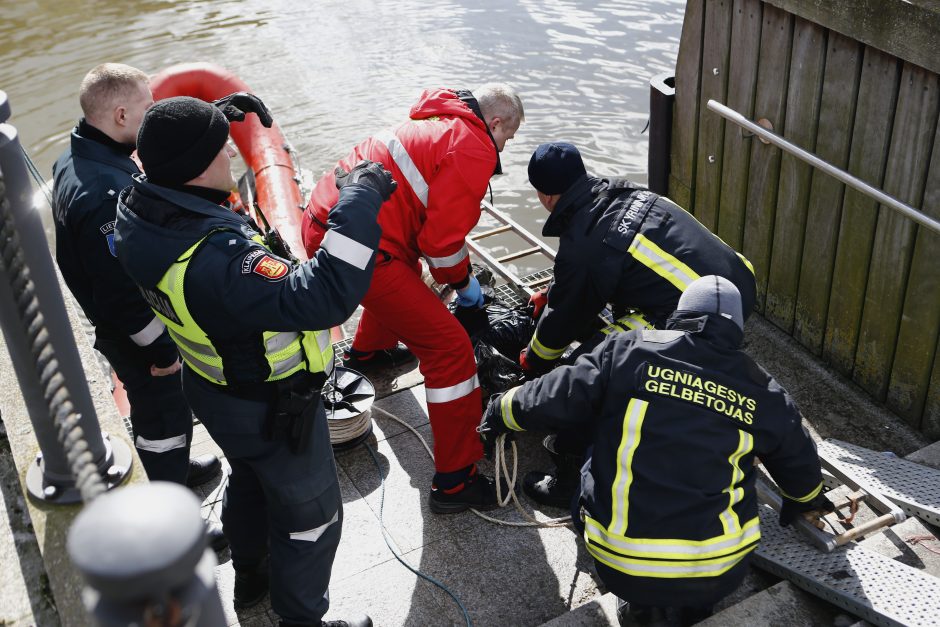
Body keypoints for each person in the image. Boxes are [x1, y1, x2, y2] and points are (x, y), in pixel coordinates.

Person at [114, 95, 393, 627]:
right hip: (271, 409)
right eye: (221, 148)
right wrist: (359, 200)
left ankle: (253, 580)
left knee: (250, 481)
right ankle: (301, 620)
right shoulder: (218, 259)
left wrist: (208, 115)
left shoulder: (135, 210)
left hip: (216, 392)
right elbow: (324, 298)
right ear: (198, 166)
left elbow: (164, 159)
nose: (230, 158)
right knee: (312, 519)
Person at [479, 276, 832, 626]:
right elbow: (800, 463)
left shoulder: (629, 349)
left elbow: (551, 395)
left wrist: (499, 411)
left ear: (682, 313)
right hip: (719, 570)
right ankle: (695, 608)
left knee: (592, 456)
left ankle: (639, 608)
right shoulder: (765, 392)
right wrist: (807, 502)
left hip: (622, 564)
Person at [301, 84, 525, 513]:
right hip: (358, 247)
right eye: (507, 139)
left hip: (331, 224)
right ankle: (456, 481)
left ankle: (370, 353)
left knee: (408, 269)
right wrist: (466, 286)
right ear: (494, 123)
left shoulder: (436, 119)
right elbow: (442, 246)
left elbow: (422, 231)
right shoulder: (473, 146)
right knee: (450, 350)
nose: (504, 149)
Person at [518, 142, 758, 507]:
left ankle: (568, 479)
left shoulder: (583, 243)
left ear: (544, 195)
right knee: (609, 328)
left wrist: (535, 361)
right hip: (738, 286)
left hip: (692, 318)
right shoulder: (622, 191)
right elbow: (600, 267)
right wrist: (556, 291)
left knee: (588, 368)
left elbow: (562, 322)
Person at [51, 64, 223, 504]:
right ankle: (173, 515)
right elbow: (120, 292)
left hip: (124, 328)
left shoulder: (75, 156)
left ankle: (177, 470)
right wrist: (162, 350)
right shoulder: (104, 195)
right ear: (122, 116)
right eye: (148, 108)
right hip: (138, 339)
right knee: (163, 420)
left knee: (169, 415)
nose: (154, 114)